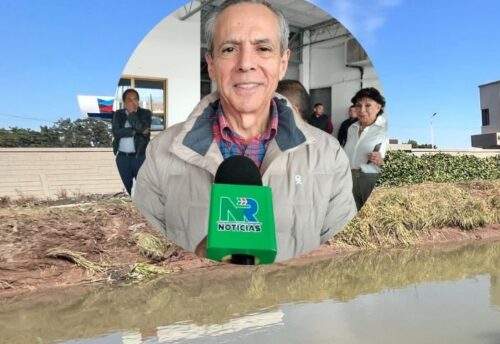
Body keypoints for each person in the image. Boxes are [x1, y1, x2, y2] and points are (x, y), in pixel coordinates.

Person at [132, 0, 356, 262]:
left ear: (282, 63)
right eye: (229, 49)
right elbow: (142, 255)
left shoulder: (329, 156)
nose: (246, 63)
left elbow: (344, 262)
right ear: (211, 64)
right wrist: (191, 267)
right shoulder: (162, 152)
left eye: (263, 48)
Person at [342, 87, 388, 209]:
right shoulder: (351, 128)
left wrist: (383, 161)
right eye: (358, 105)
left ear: (378, 107)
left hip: (371, 180)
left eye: (368, 105)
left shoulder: (386, 129)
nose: (362, 110)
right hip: (350, 179)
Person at [111, 88, 152, 196]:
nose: (133, 102)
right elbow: (116, 132)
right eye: (129, 100)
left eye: (135, 99)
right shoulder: (118, 114)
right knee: (126, 188)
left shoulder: (145, 113)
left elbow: (144, 129)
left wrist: (131, 114)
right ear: (124, 102)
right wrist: (135, 131)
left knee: (144, 188)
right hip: (122, 158)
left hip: (140, 157)